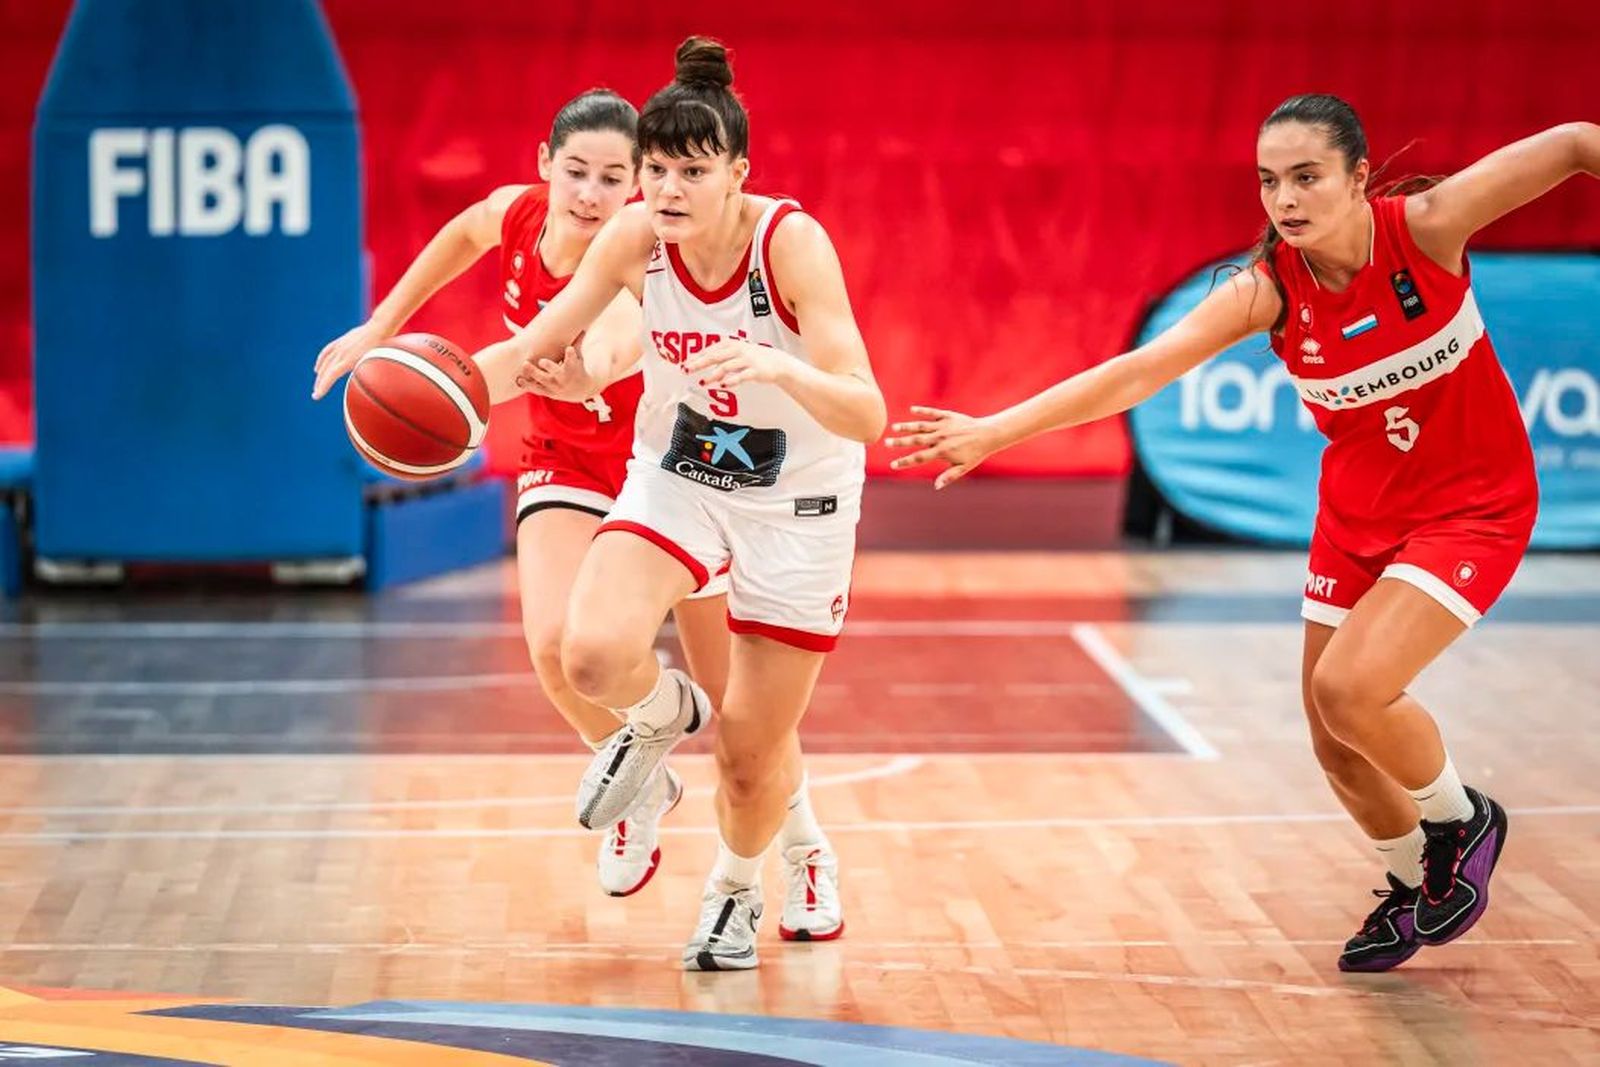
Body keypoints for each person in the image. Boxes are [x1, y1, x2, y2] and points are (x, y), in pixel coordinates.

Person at [886, 96, 1600, 972]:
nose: (1285, 200)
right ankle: (1416, 878)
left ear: (1358, 177)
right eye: (1269, 181)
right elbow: (1137, 371)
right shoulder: (1267, 290)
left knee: (1351, 689)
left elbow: (1575, 143)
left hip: (1473, 506)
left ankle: (1462, 820)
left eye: (1306, 177)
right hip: (1358, 517)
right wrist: (998, 429)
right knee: (1333, 737)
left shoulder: (1427, 227)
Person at [310, 89, 831, 905]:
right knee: (556, 651)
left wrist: (567, 375)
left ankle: (803, 845)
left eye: (613, 178)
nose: (591, 193)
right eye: (577, 172)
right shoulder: (517, 216)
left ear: (638, 185)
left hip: (672, 471)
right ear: (545, 165)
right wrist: (383, 329)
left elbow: (609, 352)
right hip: (565, 461)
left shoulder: (641, 260)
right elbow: (461, 236)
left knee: (745, 718)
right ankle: (643, 780)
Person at [477, 36, 884, 970]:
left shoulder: (791, 245)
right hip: (683, 477)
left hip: (797, 504)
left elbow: (867, 411)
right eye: (656, 169)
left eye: (692, 172)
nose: (667, 189)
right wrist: (441, 391)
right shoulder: (633, 239)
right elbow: (535, 347)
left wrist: (780, 367)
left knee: (748, 753)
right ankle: (660, 713)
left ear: (738, 174)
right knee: (587, 654)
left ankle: (749, 881)